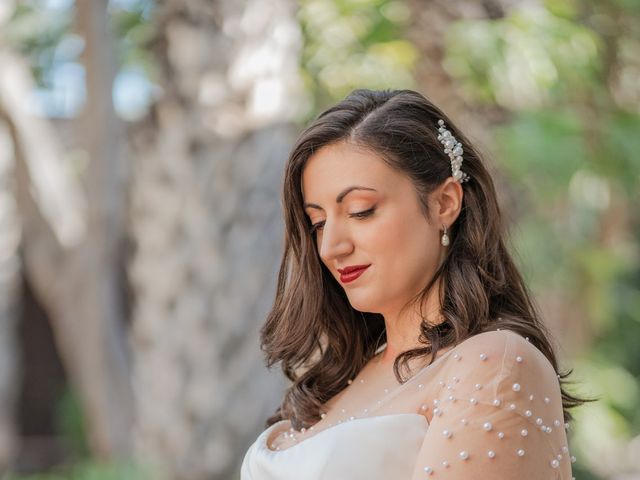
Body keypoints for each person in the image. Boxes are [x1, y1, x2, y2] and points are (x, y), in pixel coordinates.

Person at [240, 88, 583, 479]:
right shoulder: (333, 383)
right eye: (318, 223)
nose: (332, 247)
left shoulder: (493, 362)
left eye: (361, 211)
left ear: (444, 204)